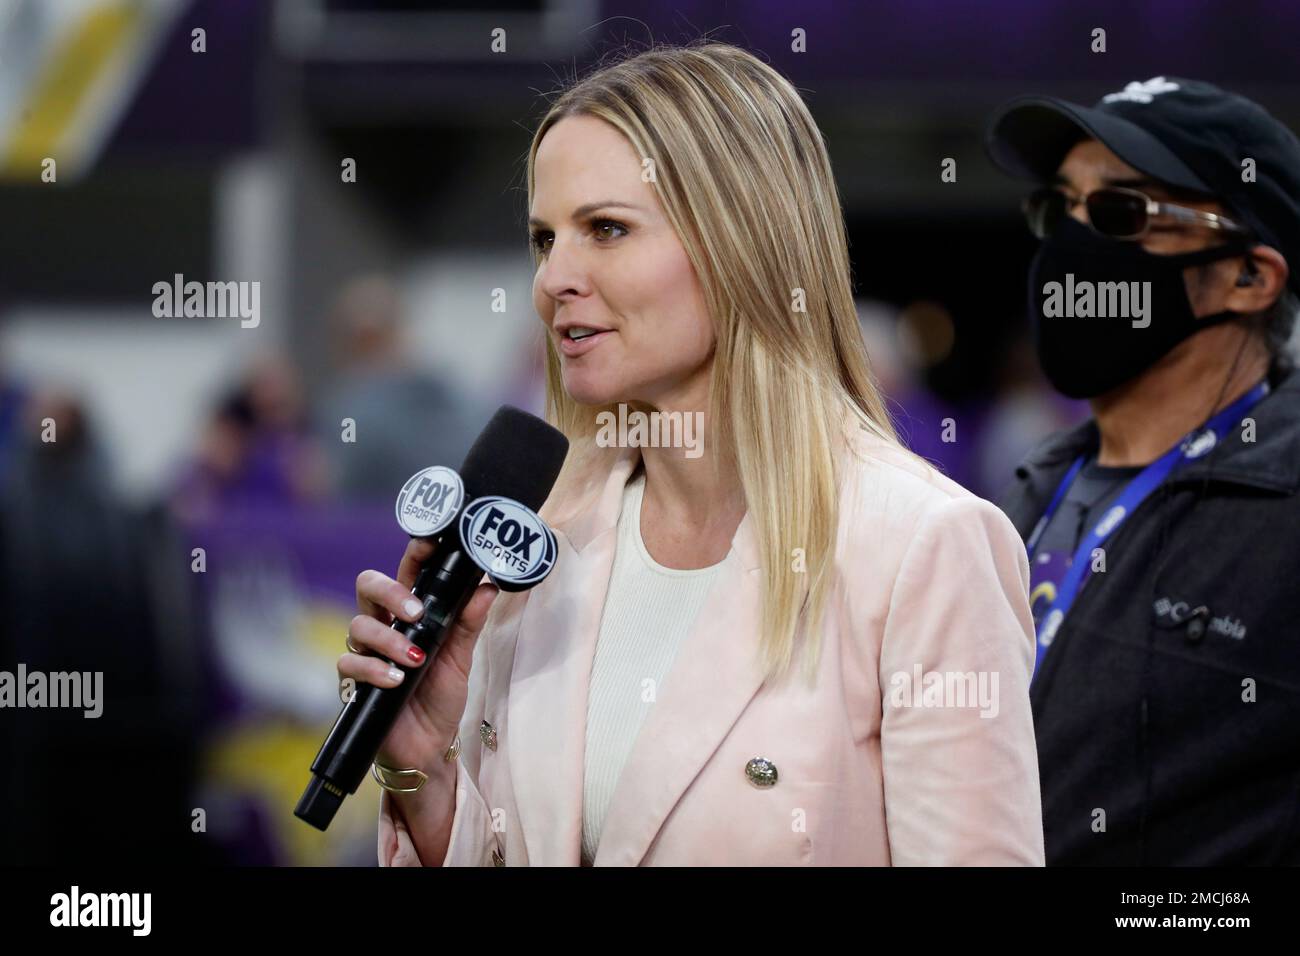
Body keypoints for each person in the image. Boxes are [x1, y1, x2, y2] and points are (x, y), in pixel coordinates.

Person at [341, 42, 1044, 867]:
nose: (553, 278)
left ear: (741, 242)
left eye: (606, 229)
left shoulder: (922, 548)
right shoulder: (541, 544)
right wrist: (425, 771)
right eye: (543, 238)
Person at [986, 76, 1300, 864]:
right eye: (1062, 208)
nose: (1071, 244)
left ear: (1249, 277)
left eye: (1123, 213)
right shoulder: (1022, 490)